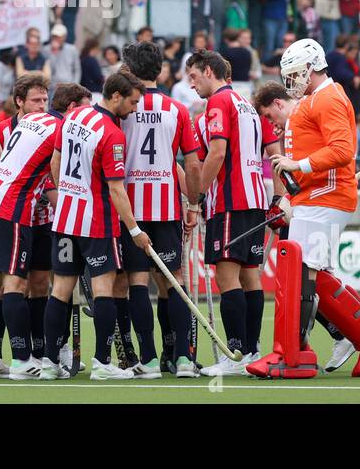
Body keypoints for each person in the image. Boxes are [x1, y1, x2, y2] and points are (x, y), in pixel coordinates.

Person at [252, 39, 360, 379]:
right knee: (310, 274)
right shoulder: (316, 98)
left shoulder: (329, 96)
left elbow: (342, 150)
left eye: (295, 72)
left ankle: (296, 353)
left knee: (305, 272)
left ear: (311, 68)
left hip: (327, 195)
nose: (291, 79)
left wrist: (298, 164)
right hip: (317, 196)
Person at [0, 77, 91, 381]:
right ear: (73, 108)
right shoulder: (62, 128)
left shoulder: (30, 121)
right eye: (86, 112)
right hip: (10, 206)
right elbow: (57, 171)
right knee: (15, 286)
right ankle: (22, 360)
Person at [39, 70, 148, 381]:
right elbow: (116, 189)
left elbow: (55, 161)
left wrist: (67, 193)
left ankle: (49, 362)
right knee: (105, 290)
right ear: (115, 96)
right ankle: (102, 363)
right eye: (132, 102)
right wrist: (135, 230)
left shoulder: (73, 117)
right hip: (96, 223)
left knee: (60, 290)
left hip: (64, 219)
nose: (134, 108)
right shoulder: (113, 134)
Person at [117, 41, 204, 378]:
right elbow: (193, 166)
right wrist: (193, 204)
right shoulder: (178, 109)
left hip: (131, 210)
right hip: (167, 206)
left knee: (138, 282)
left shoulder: (122, 106)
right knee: (173, 282)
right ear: (161, 70)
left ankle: (150, 360)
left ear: (130, 69)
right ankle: (183, 358)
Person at [184, 48, 270, 375]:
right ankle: (252, 348)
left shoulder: (218, 102)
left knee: (226, 274)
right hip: (254, 199)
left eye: (193, 76)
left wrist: (198, 197)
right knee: (250, 274)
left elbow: (217, 153)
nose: (191, 84)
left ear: (209, 71)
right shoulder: (245, 103)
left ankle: (235, 351)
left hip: (230, 201)